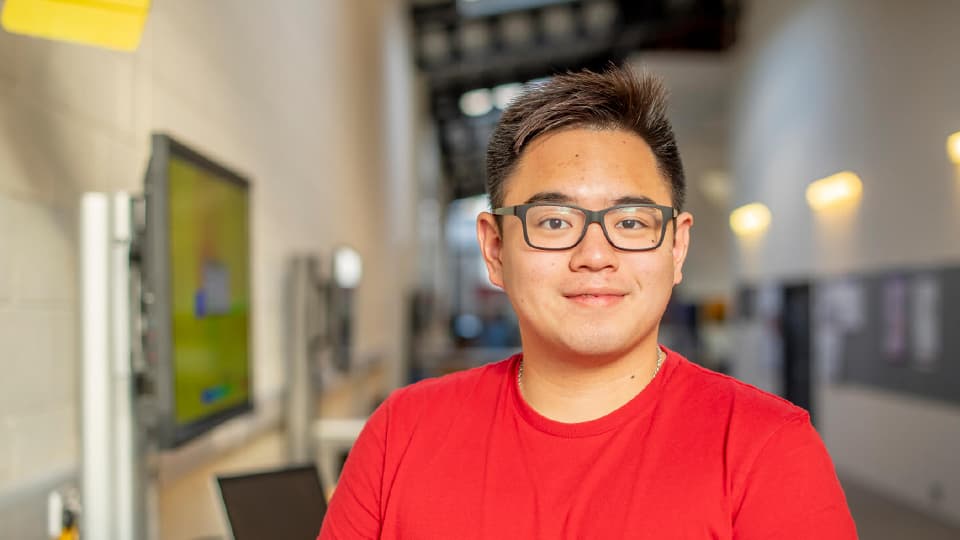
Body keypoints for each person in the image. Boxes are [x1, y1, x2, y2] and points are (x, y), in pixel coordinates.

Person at [318, 65, 857, 539]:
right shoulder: (401, 434)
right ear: (494, 248)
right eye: (554, 222)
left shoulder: (767, 450)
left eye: (630, 222)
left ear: (676, 247)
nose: (594, 254)